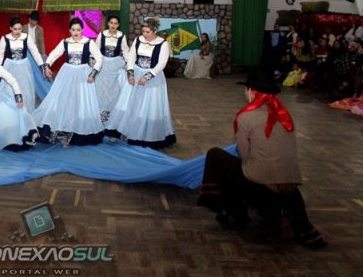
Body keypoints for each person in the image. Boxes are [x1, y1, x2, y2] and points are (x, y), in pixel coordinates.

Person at [197, 67, 327, 249]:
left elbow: (244, 156)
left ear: (251, 91)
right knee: (256, 168)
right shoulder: (284, 115)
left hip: (263, 187)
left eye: (246, 89)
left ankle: (234, 211)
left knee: (216, 156)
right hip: (291, 187)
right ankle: (280, 216)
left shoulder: (247, 116)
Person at [105, 17, 176, 149]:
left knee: (149, 106)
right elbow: (131, 57)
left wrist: (148, 76)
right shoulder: (138, 40)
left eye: (148, 32)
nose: (145, 34)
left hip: (153, 78)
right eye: (143, 31)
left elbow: (162, 63)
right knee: (127, 102)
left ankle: (147, 136)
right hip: (136, 74)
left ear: (155, 30)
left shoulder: (163, 44)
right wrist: (130, 73)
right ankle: (119, 131)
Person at [33, 17, 104, 146]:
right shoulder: (65, 42)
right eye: (73, 30)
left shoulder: (88, 42)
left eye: (78, 30)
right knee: (65, 100)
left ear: (82, 30)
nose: (76, 32)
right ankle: (63, 128)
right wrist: (47, 66)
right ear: (69, 30)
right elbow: (54, 54)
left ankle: (78, 130)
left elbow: (99, 58)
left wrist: (93, 73)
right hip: (67, 74)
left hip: (84, 74)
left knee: (81, 101)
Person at [0, 17, 45, 113]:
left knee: (25, 88)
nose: (18, 31)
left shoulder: (26, 37)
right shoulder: (5, 38)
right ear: (10, 28)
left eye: (20, 29)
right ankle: (11, 112)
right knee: (9, 89)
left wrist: (42, 65)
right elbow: (0, 55)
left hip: (24, 66)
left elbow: (35, 52)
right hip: (10, 66)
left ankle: (25, 111)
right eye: (15, 29)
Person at [94, 15, 129, 121]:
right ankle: (101, 111)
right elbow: (96, 50)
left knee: (114, 88)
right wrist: (94, 63)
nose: (113, 25)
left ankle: (112, 111)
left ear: (118, 25)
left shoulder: (121, 36)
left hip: (116, 64)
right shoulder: (102, 34)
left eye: (115, 23)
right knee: (101, 88)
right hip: (103, 64)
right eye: (111, 23)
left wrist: (128, 64)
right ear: (108, 23)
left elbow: (125, 50)